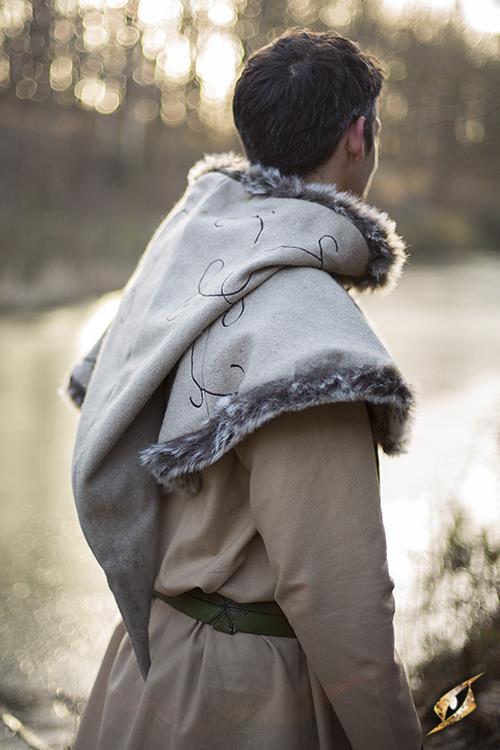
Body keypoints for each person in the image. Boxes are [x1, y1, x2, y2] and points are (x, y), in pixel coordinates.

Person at [64, 28, 425, 750]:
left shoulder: (185, 260)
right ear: (358, 137)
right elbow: (341, 603)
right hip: (245, 703)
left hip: (142, 670)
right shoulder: (311, 340)